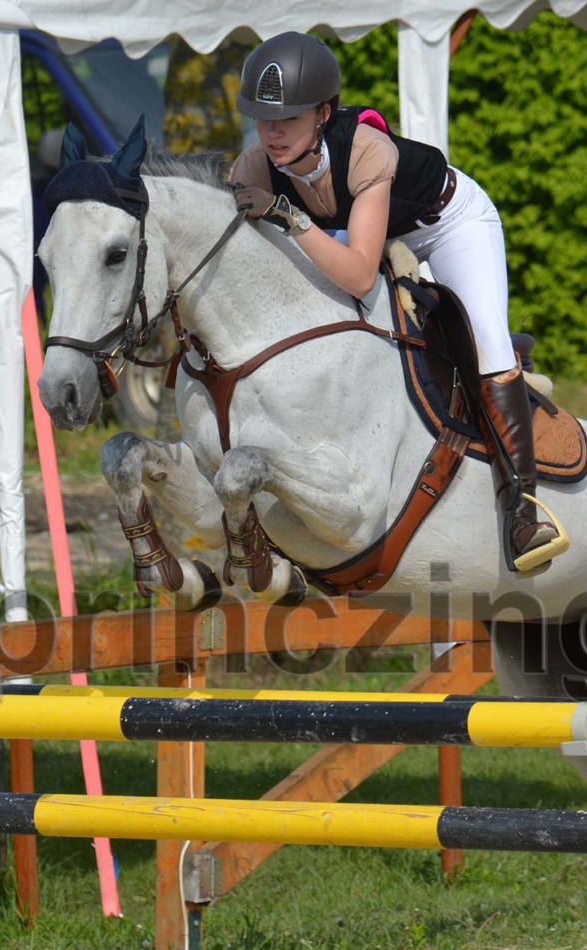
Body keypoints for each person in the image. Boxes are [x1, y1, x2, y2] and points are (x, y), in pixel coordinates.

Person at [228, 33, 565, 575]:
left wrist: (288, 217)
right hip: (371, 236)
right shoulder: (253, 168)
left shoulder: (366, 149)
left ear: (323, 113)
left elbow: (360, 275)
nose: (273, 132)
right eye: (263, 118)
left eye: (288, 117)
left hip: (448, 226)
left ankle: (523, 509)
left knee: (485, 342)